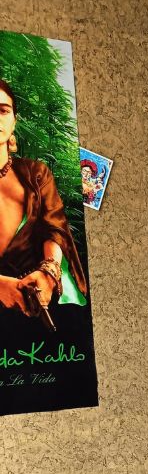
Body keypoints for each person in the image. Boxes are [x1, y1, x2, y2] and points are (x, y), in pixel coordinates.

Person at [0, 78, 87, 321]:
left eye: (3, 110)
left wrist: (49, 272)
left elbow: (54, 228)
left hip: (37, 304)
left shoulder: (36, 175)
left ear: (14, 120)